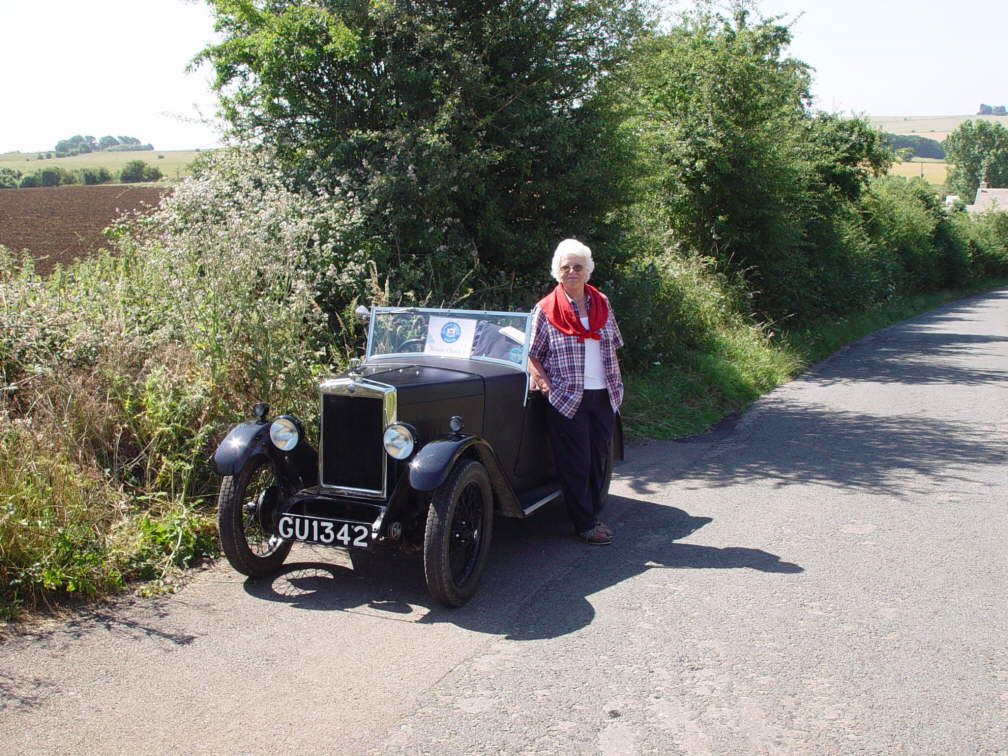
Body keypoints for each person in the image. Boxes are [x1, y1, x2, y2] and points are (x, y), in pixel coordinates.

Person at [528, 238, 624, 545]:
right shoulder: (545, 309)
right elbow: (531, 355)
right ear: (557, 271)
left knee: (599, 458)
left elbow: (613, 344)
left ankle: (593, 514)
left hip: (603, 393)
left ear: (588, 271)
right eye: (565, 267)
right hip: (567, 397)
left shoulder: (602, 303)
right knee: (576, 462)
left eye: (578, 266)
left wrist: (615, 382)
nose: (571, 271)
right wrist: (547, 388)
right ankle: (584, 524)